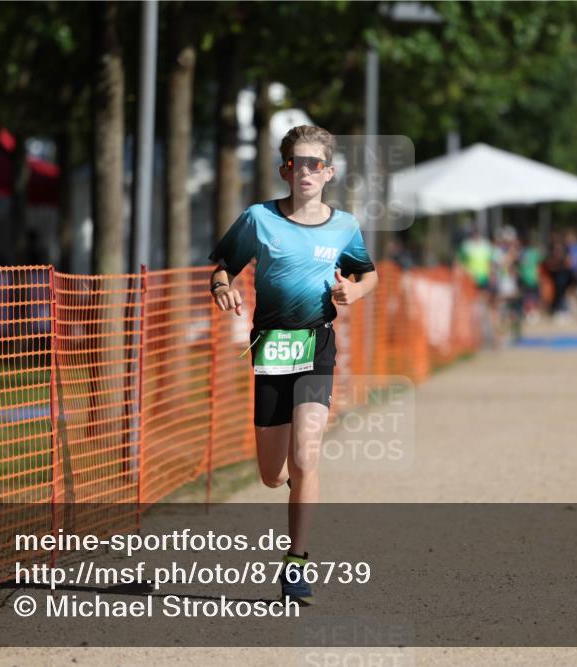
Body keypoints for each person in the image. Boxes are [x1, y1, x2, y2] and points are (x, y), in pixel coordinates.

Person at [207, 126, 378, 606]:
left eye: (314, 164)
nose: (305, 172)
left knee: (307, 457)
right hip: (272, 349)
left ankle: (297, 562)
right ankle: (291, 482)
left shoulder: (344, 226)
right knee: (271, 473)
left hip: (318, 345)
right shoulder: (258, 219)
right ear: (285, 169)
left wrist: (355, 291)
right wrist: (222, 287)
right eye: (296, 163)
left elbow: (369, 274)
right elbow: (222, 264)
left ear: (328, 172)